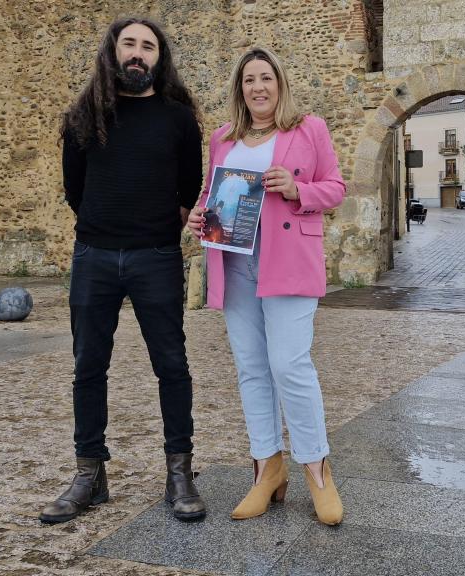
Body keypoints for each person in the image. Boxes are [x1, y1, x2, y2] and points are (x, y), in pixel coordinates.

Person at [40, 17, 206, 524]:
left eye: (148, 46)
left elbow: (189, 187)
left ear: (160, 56)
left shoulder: (178, 118)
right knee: (88, 366)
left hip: (155, 257)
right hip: (94, 257)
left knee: (172, 366)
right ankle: (89, 473)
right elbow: (75, 189)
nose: (138, 54)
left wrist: (154, 227)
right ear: (112, 52)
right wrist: (104, 224)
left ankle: (179, 472)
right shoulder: (83, 115)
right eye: (129, 44)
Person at [186, 47, 345, 525]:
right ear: (240, 89)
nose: (258, 87)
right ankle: (266, 470)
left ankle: (317, 471)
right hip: (234, 262)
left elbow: (335, 187)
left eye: (266, 78)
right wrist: (197, 215)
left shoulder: (308, 129)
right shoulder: (222, 138)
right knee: (252, 368)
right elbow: (211, 194)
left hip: (289, 260)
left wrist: (299, 190)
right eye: (249, 80)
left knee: (290, 364)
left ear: (280, 83)